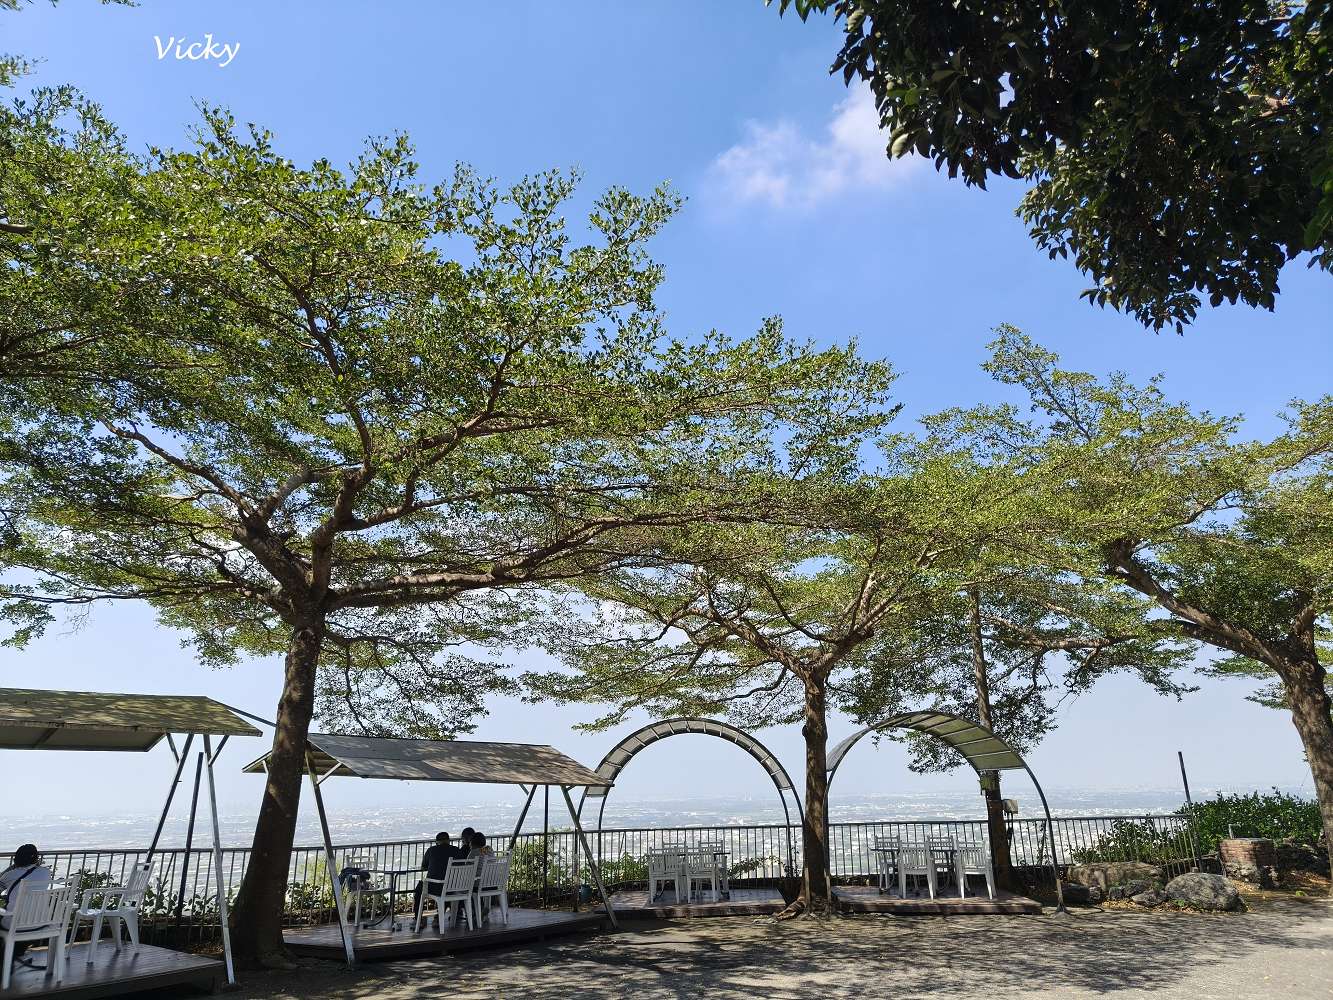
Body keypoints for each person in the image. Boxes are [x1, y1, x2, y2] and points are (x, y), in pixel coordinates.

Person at [1, 845, 54, 963]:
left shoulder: (9, 875)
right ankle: (15, 954)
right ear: (36, 859)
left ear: (16, 859)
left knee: (4, 917)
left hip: (15, 926)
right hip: (40, 923)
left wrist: (10, 869)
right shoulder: (46, 873)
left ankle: (5, 959)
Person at [414, 832, 463, 925]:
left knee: (419, 889)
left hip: (436, 888)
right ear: (448, 841)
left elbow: (423, 867)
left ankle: (418, 918)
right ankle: (439, 917)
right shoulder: (457, 850)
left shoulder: (431, 850)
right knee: (444, 887)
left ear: (436, 842)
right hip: (454, 887)